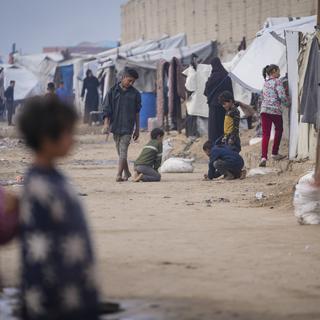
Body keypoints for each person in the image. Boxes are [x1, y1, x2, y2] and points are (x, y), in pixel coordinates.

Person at [17, 96, 99, 320]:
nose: (73, 140)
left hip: (73, 287)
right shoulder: (39, 186)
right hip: (54, 297)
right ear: (46, 138)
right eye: (68, 133)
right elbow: (40, 252)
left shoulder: (55, 178)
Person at [102, 68, 141, 182]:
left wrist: (137, 129)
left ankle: (118, 174)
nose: (131, 83)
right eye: (129, 80)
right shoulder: (112, 92)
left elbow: (137, 112)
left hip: (128, 128)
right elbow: (106, 110)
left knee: (123, 150)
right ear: (123, 77)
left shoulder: (135, 94)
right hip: (115, 127)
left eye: (133, 82)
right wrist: (106, 124)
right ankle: (127, 172)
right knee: (120, 152)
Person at [259, 64, 290, 167]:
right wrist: (288, 104)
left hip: (264, 110)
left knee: (265, 134)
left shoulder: (265, 83)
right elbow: (281, 96)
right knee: (279, 130)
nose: (279, 72)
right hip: (275, 110)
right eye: (278, 70)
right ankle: (274, 153)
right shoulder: (278, 81)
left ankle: (263, 157)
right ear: (274, 71)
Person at [204, 57, 233, 144]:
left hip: (214, 106)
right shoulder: (226, 76)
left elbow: (206, 91)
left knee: (214, 128)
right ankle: (226, 142)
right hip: (226, 106)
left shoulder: (212, 78)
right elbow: (230, 91)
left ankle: (215, 144)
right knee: (225, 125)